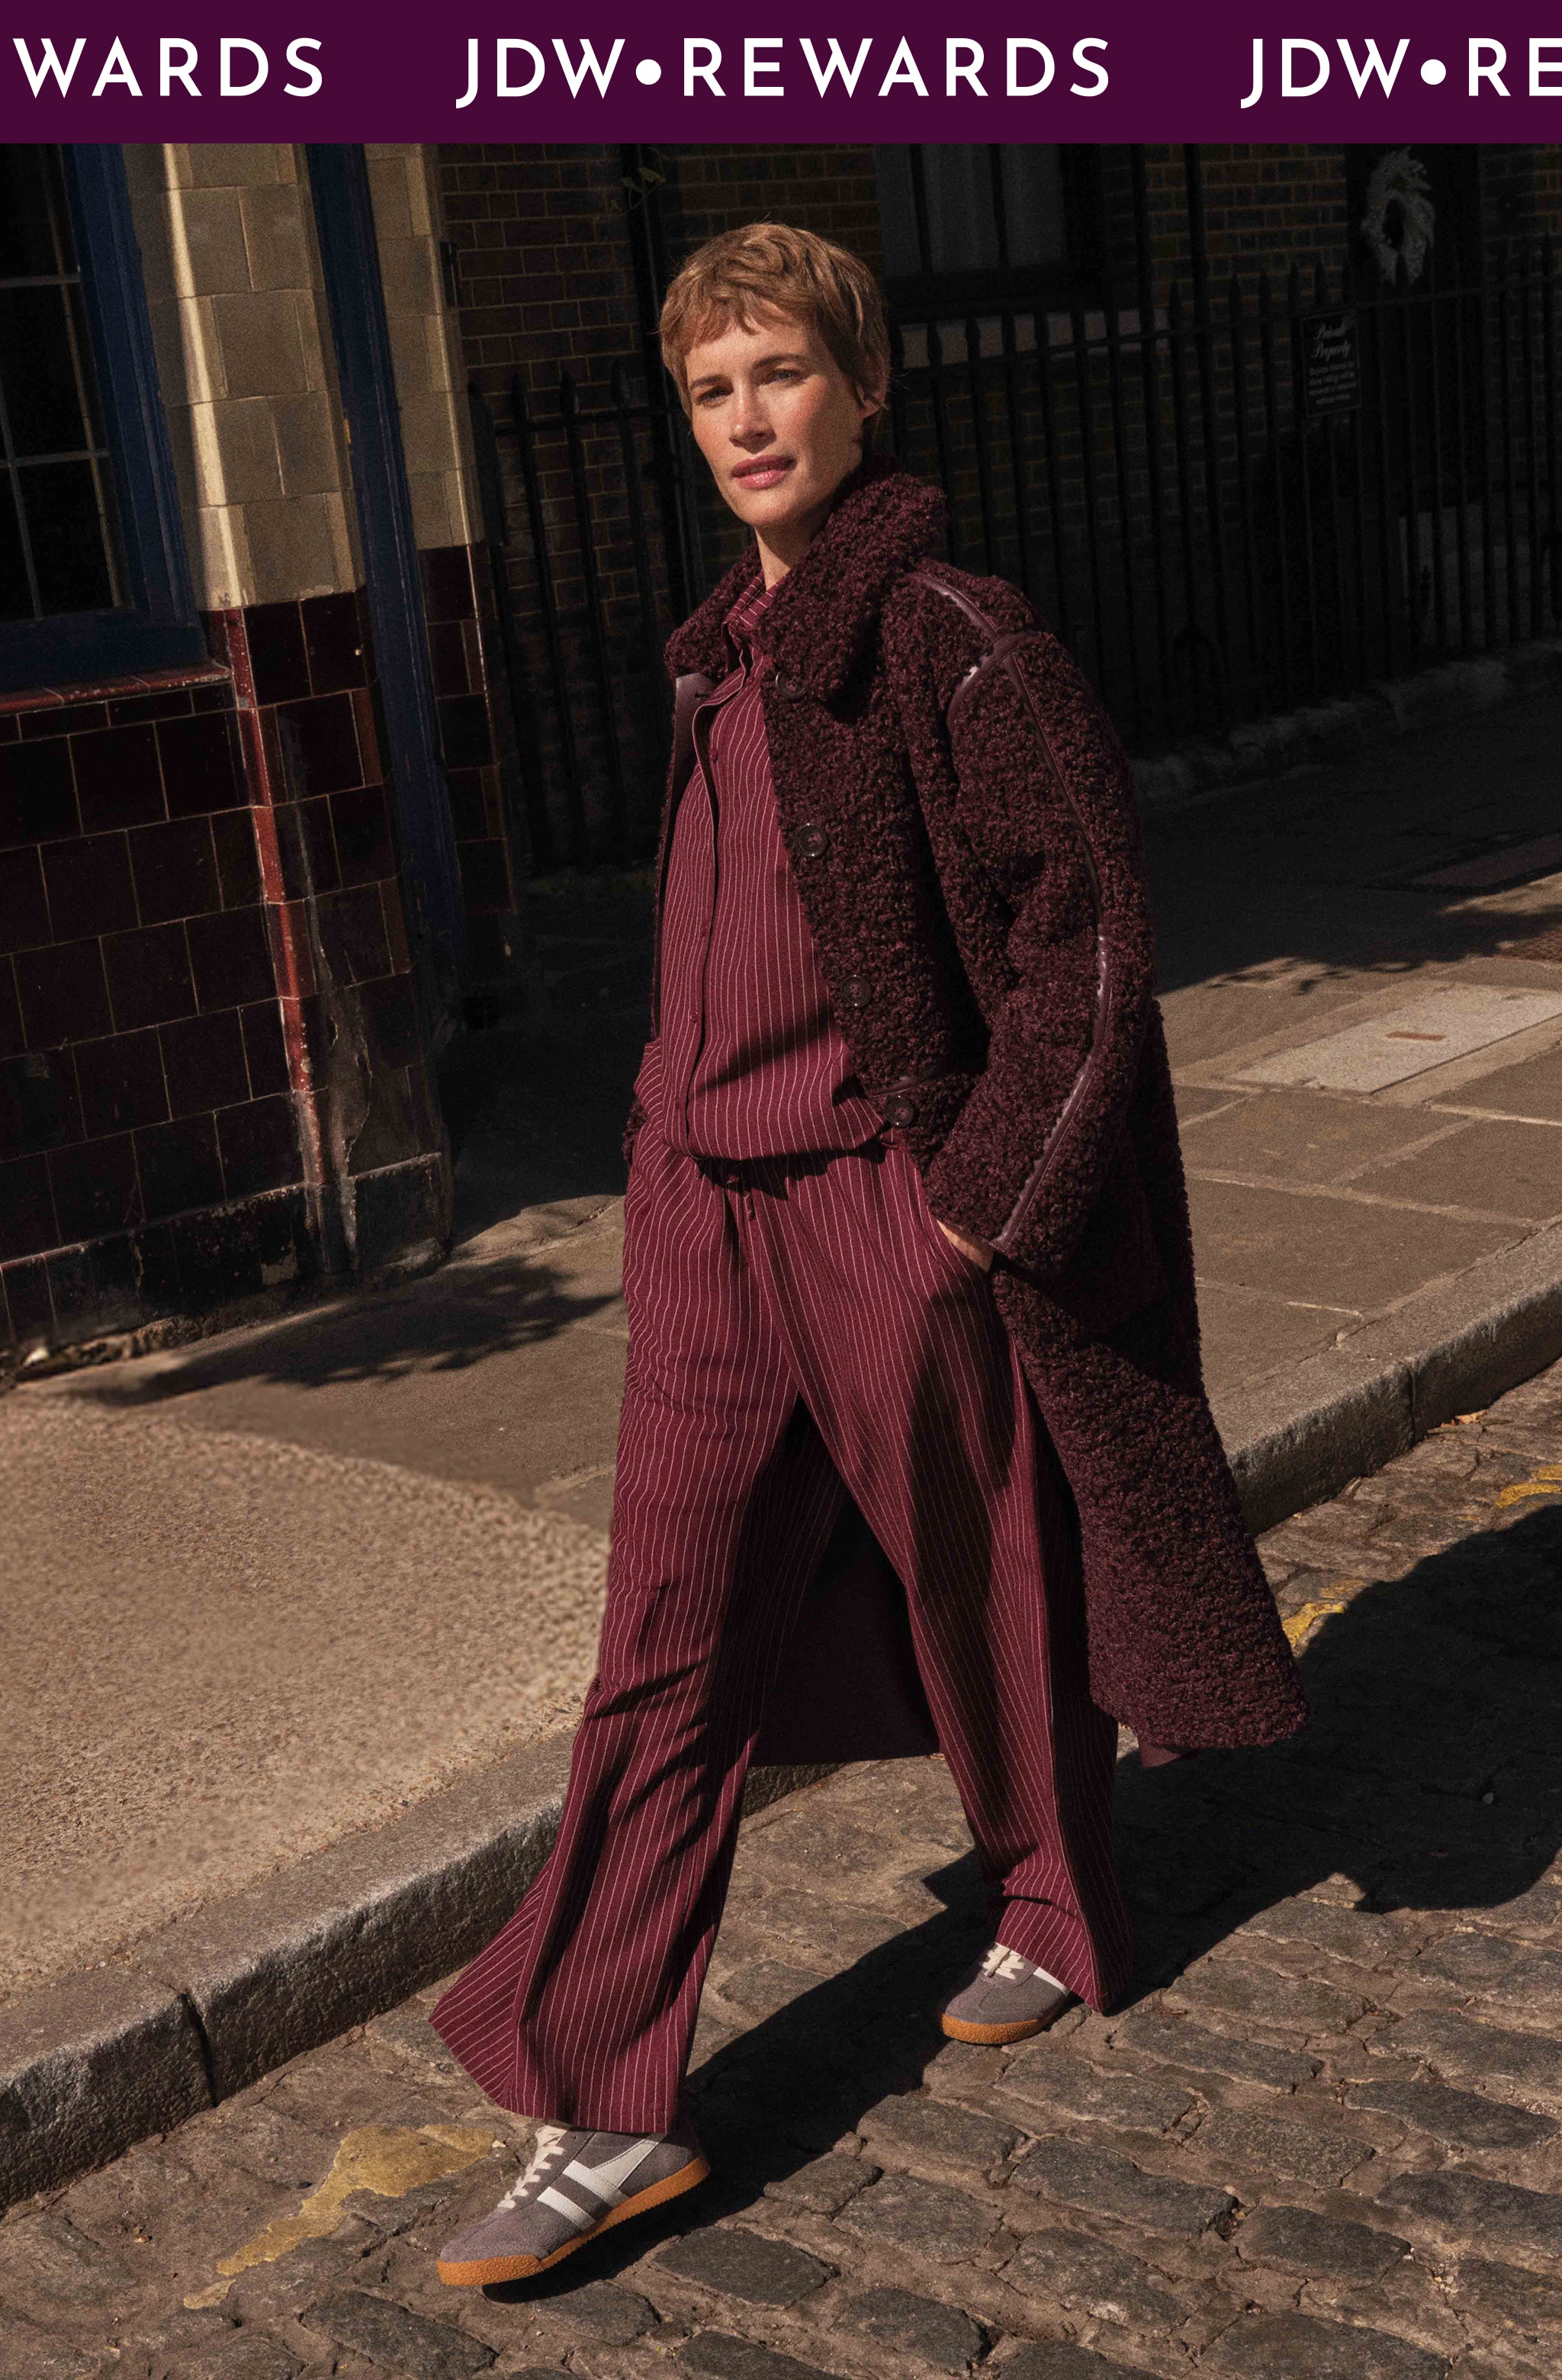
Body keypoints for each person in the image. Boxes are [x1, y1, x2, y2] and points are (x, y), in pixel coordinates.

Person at [432, 224, 1306, 2288]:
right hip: (701, 1210)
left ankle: (1053, 1896)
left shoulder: (945, 632)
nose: (747, 418)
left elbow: (1077, 932)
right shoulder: (714, 652)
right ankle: (608, 2096)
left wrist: (973, 1206)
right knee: (662, 1635)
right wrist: (657, 1144)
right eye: (712, 387)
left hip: (879, 1202)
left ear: (866, 386)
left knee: (981, 1575)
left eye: (782, 375)